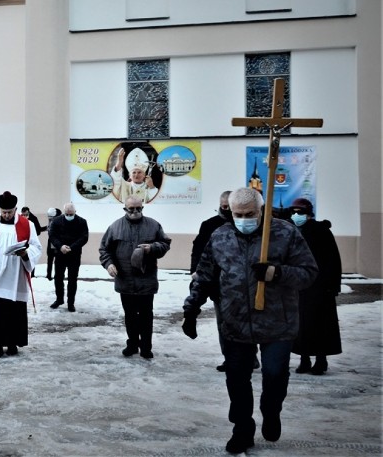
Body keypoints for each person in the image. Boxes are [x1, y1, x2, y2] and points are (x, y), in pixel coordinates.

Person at [182, 187, 318, 454]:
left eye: (250, 214)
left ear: (261, 210)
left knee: (275, 373)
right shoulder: (220, 236)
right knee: (237, 378)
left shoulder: (284, 233)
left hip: (278, 321)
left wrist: (277, 273)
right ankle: (242, 428)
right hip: (235, 321)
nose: (243, 219)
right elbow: (205, 274)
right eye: (237, 214)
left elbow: (309, 273)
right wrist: (191, 309)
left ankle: (271, 409)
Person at [99, 196, 171, 359]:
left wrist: (152, 248)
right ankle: (132, 344)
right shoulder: (115, 227)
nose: (135, 212)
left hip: (146, 280)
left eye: (138, 208)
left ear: (142, 208)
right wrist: (109, 264)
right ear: (125, 209)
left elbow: (165, 244)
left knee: (146, 316)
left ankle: (146, 347)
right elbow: (104, 250)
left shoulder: (153, 225)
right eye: (131, 209)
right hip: (125, 280)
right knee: (130, 316)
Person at [0, 191, 42, 358]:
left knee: (14, 311)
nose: (6, 215)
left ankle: (13, 343)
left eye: (9, 212)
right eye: (3, 212)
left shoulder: (27, 225)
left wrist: (25, 254)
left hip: (16, 276)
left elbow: (36, 246)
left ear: (15, 209)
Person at [288, 197, 342, 375]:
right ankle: (304, 360)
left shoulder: (321, 231)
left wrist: (332, 285)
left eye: (300, 212)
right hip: (300, 286)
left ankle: (321, 360)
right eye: (294, 212)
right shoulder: (292, 230)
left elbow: (333, 260)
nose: (296, 215)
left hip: (320, 287)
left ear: (309, 213)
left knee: (321, 324)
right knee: (301, 325)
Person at [190, 190, 233, 371]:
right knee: (223, 323)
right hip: (216, 283)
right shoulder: (209, 225)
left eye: (230, 207)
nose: (227, 210)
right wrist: (194, 271)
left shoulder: (245, 224)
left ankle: (249, 356)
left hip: (242, 283)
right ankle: (230, 358)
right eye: (224, 207)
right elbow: (198, 249)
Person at [48, 202, 89, 312]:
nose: (69, 216)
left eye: (71, 214)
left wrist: (72, 247)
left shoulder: (81, 221)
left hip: (74, 255)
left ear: (75, 212)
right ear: (64, 213)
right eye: (67, 214)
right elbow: (52, 235)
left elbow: (84, 237)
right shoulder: (56, 221)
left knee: (72, 280)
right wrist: (60, 246)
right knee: (58, 278)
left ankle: (71, 303)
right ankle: (59, 299)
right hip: (60, 254)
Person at [44, 207, 61, 280]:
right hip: (51, 242)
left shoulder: (58, 222)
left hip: (56, 242)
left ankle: (57, 275)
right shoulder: (52, 221)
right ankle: (49, 275)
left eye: (51, 218)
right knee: (50, 260)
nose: (50, 219)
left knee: (57, 261)